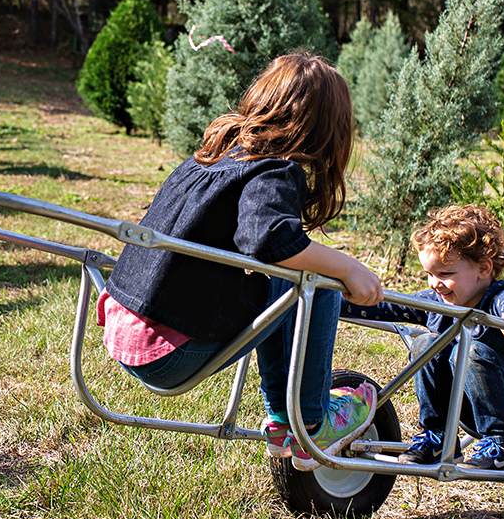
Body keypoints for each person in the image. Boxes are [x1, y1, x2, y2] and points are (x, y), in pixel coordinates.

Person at [97, 52, 382, 471]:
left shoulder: (218, 154)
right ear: (326, 129)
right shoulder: (276, 168)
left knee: (277, 286)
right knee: (315, 282)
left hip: (125, 329)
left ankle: (286, 423)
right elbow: (268, 240)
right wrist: (348, 267)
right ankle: (311, 424)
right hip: (167, 351)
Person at [346, 204, 504, 470]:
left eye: (445, 274)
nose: (434, 283)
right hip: (466, 402)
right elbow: (385, 306)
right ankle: (438, 436)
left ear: (483, 268)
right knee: (424, 343)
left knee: (470, 351)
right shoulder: (438, 301)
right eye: (430, 274)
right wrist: (332, 299)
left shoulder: (499, 295)